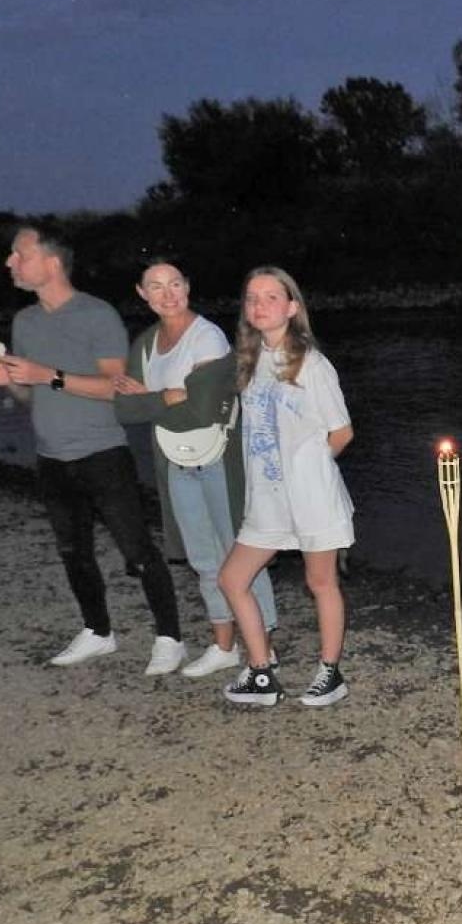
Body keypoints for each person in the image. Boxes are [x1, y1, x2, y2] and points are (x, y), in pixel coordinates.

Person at [0, 225, 184, 674]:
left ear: (51, 263)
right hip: (51, 458)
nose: (10, 262)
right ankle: (97, 631)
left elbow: (117, 388)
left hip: (102, 453)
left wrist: (45, 373)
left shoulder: (97, 315)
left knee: (137, 549)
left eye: (19, 254)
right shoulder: (25, 321)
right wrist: (9, 379)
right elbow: (30, 396)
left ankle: (170, 637)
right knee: (73, 552)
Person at [111, 258, 278, 678]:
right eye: (156, 286)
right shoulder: (146, 343)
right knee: (204, 559)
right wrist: (168, 395)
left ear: (187, 286)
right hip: (176, 462)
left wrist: (152, 395)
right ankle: (224, 645)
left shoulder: (208, 337)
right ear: (141, 293)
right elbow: (124, 410)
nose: (167, 294)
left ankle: (265, 647)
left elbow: (202, 410)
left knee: (241, 553)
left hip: (220, 458)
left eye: (174, 284)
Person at [216, 268, 354, 708]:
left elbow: (341, 432)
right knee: (232, 578)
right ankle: (261, 673)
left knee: (321, 582)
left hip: (311, 496)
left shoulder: (312, 364)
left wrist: (307, 467)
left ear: (292, 307)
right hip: (267, 501)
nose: (259, 305)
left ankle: (330, 673)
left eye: (271, 297)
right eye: (252, 298)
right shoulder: (251, 362)